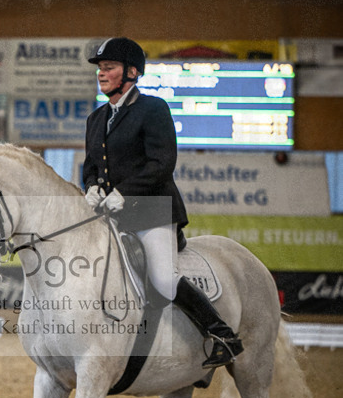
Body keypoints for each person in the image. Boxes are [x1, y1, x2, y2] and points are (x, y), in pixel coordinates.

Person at [83, 36, 243, 369]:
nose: (101, 74)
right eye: (100, 68)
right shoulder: (96, 119)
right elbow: (92, 165)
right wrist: (93, 186)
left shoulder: (153, 109)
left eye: (108, 67)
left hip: (153, 211)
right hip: (113, 214)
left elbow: (162, 163)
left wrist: (123, 193)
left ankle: (222, 335)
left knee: (162, 279)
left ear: (131, 72)